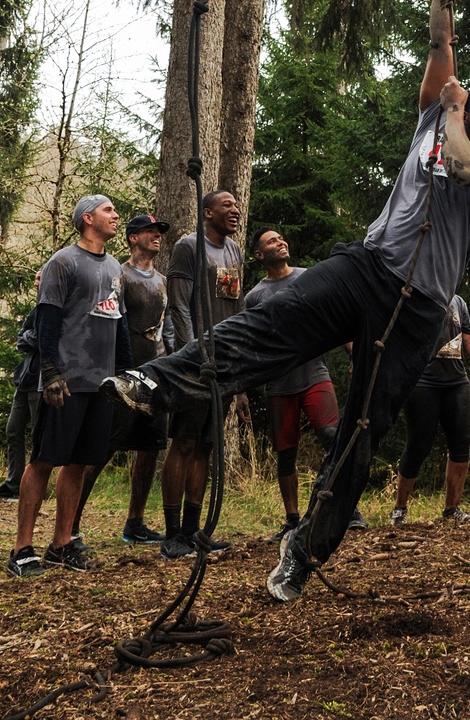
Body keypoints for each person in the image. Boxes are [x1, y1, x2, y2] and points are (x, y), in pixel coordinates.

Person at [102, 0, 470, 603]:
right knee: (271, 320)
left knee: (362, 426)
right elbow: (440, 45)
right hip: (367, 268)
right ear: (469, 106)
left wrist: (453, 112)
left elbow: (464, 164)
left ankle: (303, 550)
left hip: (418, 309)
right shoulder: (430, 118)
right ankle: (155, 384)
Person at [7, 196, 131, 577]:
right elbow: (47, 320)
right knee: (44, 459)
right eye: (108, 210)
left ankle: (62, 542)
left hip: (100, 382)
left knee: (79, 462)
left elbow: (119, 323)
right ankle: (21, 548)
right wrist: (51, 373)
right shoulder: (63, 262)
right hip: (66, 381)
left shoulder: (114, 267)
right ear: (87, 218)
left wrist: (126, 375)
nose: (115, 216)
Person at [244, 227, 366, 540]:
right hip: (279, 383)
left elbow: (335, 318)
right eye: (272, 241)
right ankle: (292, 519)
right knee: (286, 452)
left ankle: (347, 510)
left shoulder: (308, 276)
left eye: (282, 238)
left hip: (314, 373)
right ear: (259, 255)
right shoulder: (254, 296)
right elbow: (252, 342)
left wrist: (356, 354)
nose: (281, 242)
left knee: (332, 437)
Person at [70, 213, 174, 547]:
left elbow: (167, 326)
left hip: (156, 374)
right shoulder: (120, 273)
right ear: (132, 237)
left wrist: (171, 361)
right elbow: (107, 317)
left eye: (159, 232)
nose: (156, 236)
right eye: (149, 231)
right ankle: (70, 524)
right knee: (103, 448)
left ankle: (135, 523)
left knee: (150, 448)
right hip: (122, 374)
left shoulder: (161, 279)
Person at [158, 189, 247, 558]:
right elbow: (178, 306)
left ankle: (194, 531)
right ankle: (172, 533)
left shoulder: (234, 252)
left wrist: (238, 371)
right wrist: (193, 357)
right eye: (227, 205)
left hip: (225, 364)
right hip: (195, 364)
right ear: (207, 212)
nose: (235, 210)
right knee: (184, 442)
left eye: (236, 205)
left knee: (207, 447)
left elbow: (239, 310)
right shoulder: (188, 246)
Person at [391, 293, 470, 527]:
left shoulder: (459, 301)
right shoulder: (414, 295)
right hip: (421, 382)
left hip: (456, 381)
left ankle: (452, 509)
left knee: (461, 445)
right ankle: (399, 510)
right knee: (418, 444)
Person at [0, 272, 43, 500]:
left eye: (40, 278)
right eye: (36, 278)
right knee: (13, 430)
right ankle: (14, 484)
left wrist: (32, 338)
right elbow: (21, 339)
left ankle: (36, 486)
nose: (36, 282)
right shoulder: (36, 310)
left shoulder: (58, 307)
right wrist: (31, 337)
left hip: (42, 381)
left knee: (39, 435)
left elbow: (47, 340)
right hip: (25, 379)